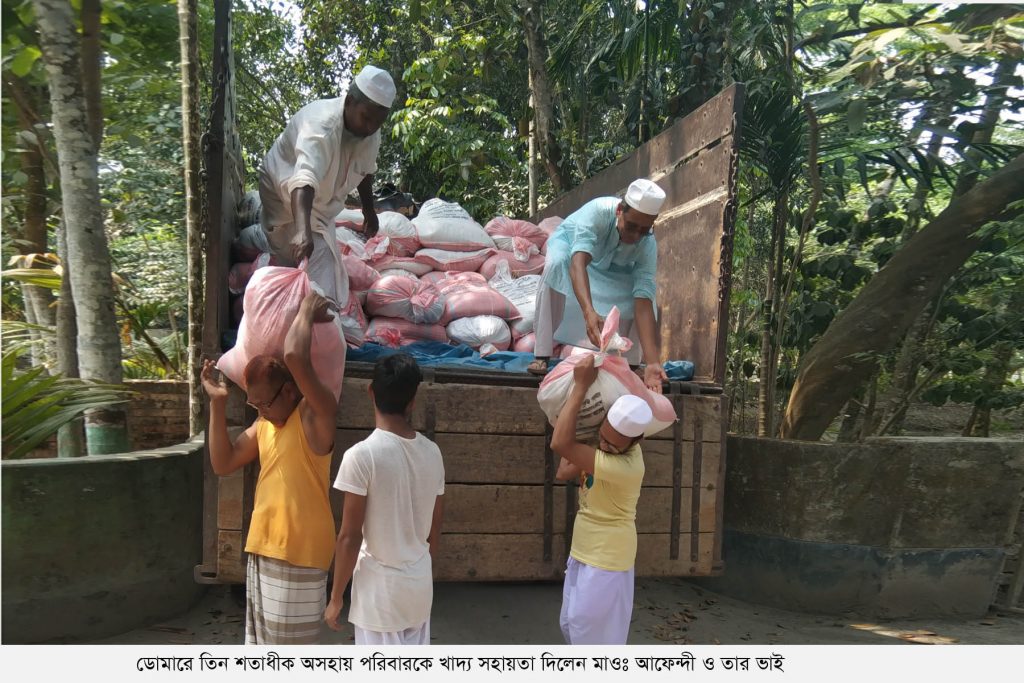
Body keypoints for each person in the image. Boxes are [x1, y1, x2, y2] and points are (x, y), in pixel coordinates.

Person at [201, 292, 338, 644]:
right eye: (253, 403)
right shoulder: (263, 426)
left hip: (300, 552)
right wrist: (218, 405)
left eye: (265, 402)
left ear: (290, 391)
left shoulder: (313, 414)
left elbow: (294, 354)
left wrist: (307, 307)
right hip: (263, 548)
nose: (260, 410)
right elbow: (223, 463)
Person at [324, 354, 445, 645]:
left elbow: (349, 537)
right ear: (412, 400)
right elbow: (434, 530)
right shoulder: (433, 453)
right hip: (418, 590)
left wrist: (336, 597)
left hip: (379, 597)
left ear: (370, 392)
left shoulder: (361, 456)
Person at [258, 65, 397, 310]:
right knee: (298, 257)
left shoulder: (370, 133)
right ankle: (291, 314)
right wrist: (302, 230)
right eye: (366, 118)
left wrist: (369, 210)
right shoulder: (321, 124)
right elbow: (304, 178)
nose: (371, 128)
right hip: (283, 193)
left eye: (378, 122)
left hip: (319, 206)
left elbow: (365, 171)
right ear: (351, 101)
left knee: (318, 267)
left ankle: (313, 317)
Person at [528, 178, 670, 393]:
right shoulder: (597, 212)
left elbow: (642, 301)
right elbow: (578, 264)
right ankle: (542, 354)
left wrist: (653, 362)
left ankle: (632, 365)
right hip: (572, 250)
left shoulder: (647, 244)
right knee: (555, 266)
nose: (635, 236)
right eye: (631, 227)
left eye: (644, 230)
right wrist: (589, 313)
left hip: (611, 268)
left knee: (647, 299)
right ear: (619, 210)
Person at [551, 355, 653, 645]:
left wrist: (580, 387)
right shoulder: (605, 450)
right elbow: (563, 470)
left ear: (636, 442)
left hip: (608, 558)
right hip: (584, 550)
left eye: (613, 445)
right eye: (603, 438)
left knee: (590, 635)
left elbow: (560, 444)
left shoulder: (627, 467)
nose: (605, 447)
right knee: (571, 626)